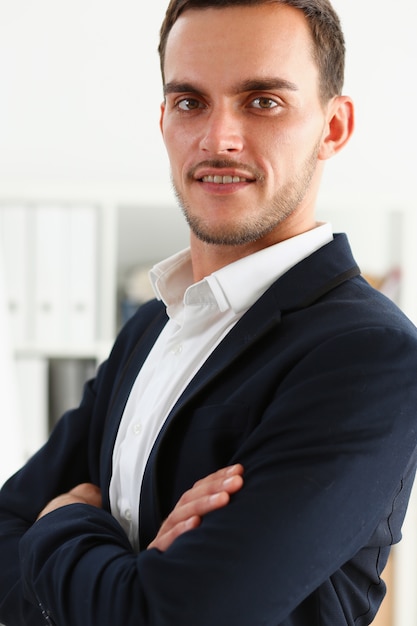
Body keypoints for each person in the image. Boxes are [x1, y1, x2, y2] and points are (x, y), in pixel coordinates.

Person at [1, 0, 417, 624]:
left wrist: (66, 520)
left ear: (333, 127)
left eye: (262, 101)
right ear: (164, 117)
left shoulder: (372, 355)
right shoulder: (152, 326)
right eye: (191, 102)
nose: (218, 139)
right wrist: (126, 569)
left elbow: (175, 616)